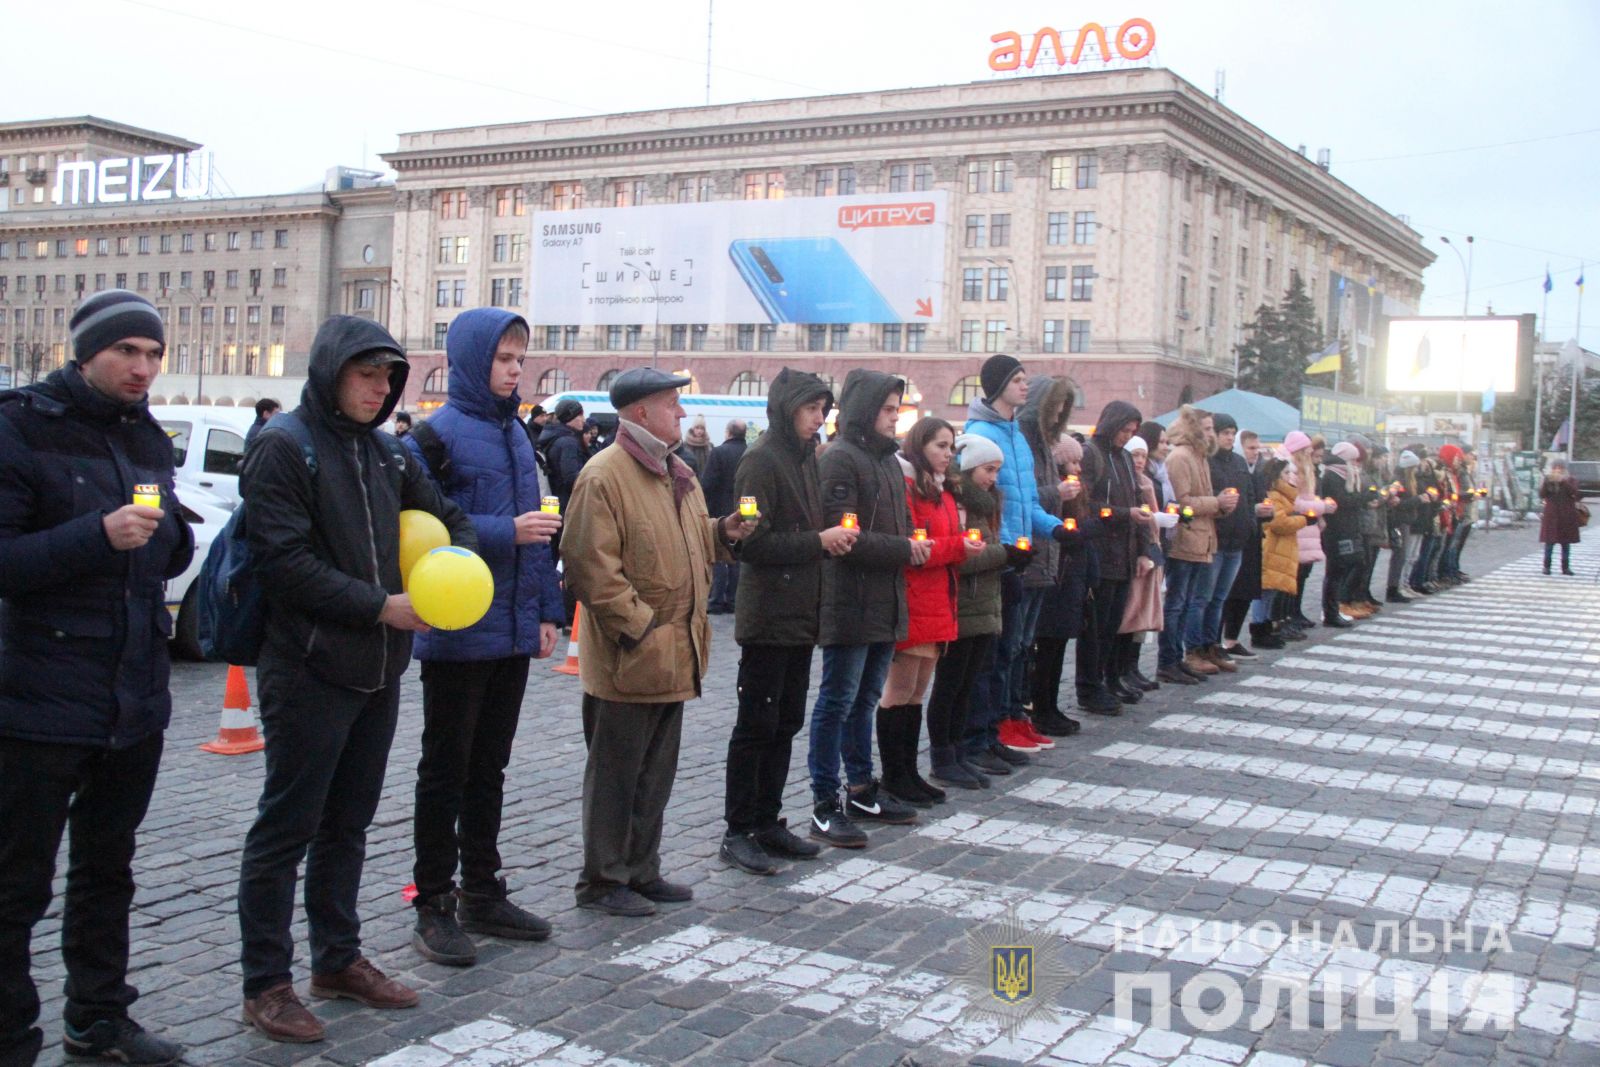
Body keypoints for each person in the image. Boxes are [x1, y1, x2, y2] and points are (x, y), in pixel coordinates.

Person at [236, 317, 475, 1044]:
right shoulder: (285, 447)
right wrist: (383, 605)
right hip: (309, 666)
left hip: (378, 669)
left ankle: (336, 958)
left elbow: (451, 519)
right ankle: (266, 982)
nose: (377, 389)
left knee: (349, 824)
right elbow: (284, 564)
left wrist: (446, 574)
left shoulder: (386, 452)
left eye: (387, 378)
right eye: (366, 374)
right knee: (288, 826)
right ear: (333, 371)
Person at [0, 290, 193, 1067]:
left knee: (108, 871)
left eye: (154, 354)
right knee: (17, 886)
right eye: (128, 353)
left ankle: (99, 1017)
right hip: (39, 698)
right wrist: (97, 533)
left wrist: (171, 534)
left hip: (133, 694)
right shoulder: (21, 426)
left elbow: (159, 548)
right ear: (85, 353)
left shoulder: (146, 437)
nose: (143, 368)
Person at [403, 309, 565, 968]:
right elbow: (422, 525)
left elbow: (543, 532)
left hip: (510, 629)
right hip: (458, 624)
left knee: (489, 767)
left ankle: (482, 887)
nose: (515, 370)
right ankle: (433, 899)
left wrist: (549, 609)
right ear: (474, 361)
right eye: (504, 359)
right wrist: (505, 531)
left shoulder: (519, 433)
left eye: (521, 360)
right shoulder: (435, 436)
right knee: (445, 768)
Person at [562, 369, 753, 915]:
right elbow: (590, 567)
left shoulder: (676, 471)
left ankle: (641, 870)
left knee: (654, 774)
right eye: (671, 404)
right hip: (634, 652)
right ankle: (602, 879)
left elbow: (691, 541)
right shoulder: (605, 475)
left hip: (675, 650)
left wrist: (723, 533)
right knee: (616, 776)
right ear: (639, 413)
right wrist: (640, 627)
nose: (682, 413)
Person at [720, 370, 851, 877]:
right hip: (769, 615)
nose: (820, 418)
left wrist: (829, 538)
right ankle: (738, 830)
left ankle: (768, 819)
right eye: (812, 409)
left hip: (801, 615)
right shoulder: (760, 460)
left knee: (786, 723)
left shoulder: (806, 459)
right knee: (756, 726)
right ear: (788, 408)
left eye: (824, 409)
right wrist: (817, 542)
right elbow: (751, 542)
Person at [809, 369, 926, 848]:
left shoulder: (887, 461)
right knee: (837, 701)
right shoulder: (840, 459)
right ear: (864, 410)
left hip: (885, 599)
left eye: (898, 410)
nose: (895, 418)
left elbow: (897, 525)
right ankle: (824, 800)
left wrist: (911, 544)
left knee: (865, 698)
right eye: (887, 409)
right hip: (850, 600)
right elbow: (845, 537)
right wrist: (904, 549)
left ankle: (861, 787)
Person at [962, 356, 1066, 768]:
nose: (1025, 387)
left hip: (1020, 555)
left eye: (1026, 380)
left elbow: (1027, 502)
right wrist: (1006, 548)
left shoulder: (1017, 434)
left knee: (1015, 648)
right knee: (995, 652)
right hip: (998, 557)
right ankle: (988, 728)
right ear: (998, 385)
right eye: (1017, 380)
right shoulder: (981, 432)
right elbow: (985, 502)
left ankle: (1002, 722)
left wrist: (1055, 527)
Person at [879, 417, 981, 808]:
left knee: (917, 692)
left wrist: (956, 544)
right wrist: (957, 546)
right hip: (915, 598)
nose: (947, 454)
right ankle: (894, 775)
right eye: (940, 446)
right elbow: (915, 550)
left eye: (951, 447)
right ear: (920, 446)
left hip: (940, 599)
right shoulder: (909, 487)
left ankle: (908, 772)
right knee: (899, 690)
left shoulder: (944, 491)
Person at [928, 436, 1011, 788]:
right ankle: (943, 756)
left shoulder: (985, 502)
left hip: (983, 604)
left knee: (966, 684)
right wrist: (1005, 555)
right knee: (950, 684)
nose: (992, 477)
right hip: (960, 604)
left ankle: (960, 751)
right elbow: (962, 556)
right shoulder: (960, 502)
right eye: (987, 470)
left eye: (996, 471)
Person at [1077, 401, 1149, 714]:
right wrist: (1122, 514)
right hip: (1100, 552)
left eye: (1132, 432)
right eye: (1124, 430)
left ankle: (1107, 679)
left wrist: (1143, 549)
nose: (1126, 436)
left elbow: (1136, 502)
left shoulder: (1122, 458)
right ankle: (1089, 687)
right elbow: (1085, 504)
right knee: (1094, 628)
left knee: (1111, 626)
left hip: (1123, 553)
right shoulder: (1092, 454)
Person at [1158, 406, 1239, 682]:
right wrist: (1217, 502)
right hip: (1185, 538)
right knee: (1177, 603)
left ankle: (1178, 658)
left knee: (1188, 601)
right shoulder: (1181, 457)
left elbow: (1199, 499)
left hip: (1202, 537)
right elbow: (1183, 503)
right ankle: (1168, 659)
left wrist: (1221, 504)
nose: (1210, 433)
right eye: (1206, 429)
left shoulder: (1200, 456)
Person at [1202, 414, 1256, 663]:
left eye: (1233, 433)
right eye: (1225, 432)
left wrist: (1251, 523)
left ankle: (1215, 643)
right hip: (1217, 537)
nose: (1229, 437)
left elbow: (1249, 495)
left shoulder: (1238, 461)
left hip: (1238, 539)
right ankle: (1204, 644)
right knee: (1207, 597)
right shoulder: (1208, 460)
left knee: (1221, 597)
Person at [1116, 435, 1165, 690]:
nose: (1139, 460)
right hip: (1134, 552)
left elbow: (1151, 519)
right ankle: (1120, 669)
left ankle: (1131, 667)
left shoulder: (1147, 483)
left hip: (1151, 549)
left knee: (1143, 614)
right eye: (1134, 454)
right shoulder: (1129, 483)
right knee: (1129, 613)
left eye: (1143, 456)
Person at [701, 420, 749, 614]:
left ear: (728, 432)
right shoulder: (750, 453)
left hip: (720, 508)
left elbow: (708, 484)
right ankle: (733, 600)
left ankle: (716, 600)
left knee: (720, 556)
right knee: (737, 555)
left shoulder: (719, 452)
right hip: (743, 510)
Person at [1319, 441, 1364, 627]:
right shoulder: (1332, 476)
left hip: (1346, 528)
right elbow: (1342, 501)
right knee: (1335, 571)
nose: (1354, 465)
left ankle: (1334, 609)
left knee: (1345, 567)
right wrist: (1364, 497)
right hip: (1335, 530)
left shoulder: (1343, 475)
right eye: (1352, 460)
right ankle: (1330, 612)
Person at [537, 399, 587, 517]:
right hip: (567, 504)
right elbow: (570, 478)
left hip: (555, 501)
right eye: (580, 415)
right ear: (570, 418)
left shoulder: (555, 437)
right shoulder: (568, 442)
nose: (583, 420)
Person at [1539, 459, 1583, 575]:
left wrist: (1563, 481)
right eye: (1555, 468)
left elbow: (1575, 493)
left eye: (1560, 468)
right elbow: (1542, 494)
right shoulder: (1549, 480)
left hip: (1566, 516)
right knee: (1549, 543)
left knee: (1565, 543)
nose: (1557, 470)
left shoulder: (1571, 480)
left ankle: (1565, 567)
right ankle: (1546, 567)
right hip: (1551, 516)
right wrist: (1547, 482)